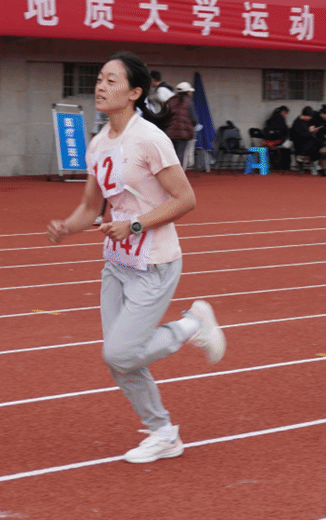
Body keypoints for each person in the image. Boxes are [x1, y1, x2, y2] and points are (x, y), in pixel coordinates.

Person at [46, 52, 225, 464]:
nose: (100, 86)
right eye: (99, 78)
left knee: (120, 353)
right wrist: (66, 227)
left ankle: (192, 325)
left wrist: (136, 224)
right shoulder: (98, 143)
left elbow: (185, 199)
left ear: (134, 92)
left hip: (155, 261)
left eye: (111, 80)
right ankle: (163, 433)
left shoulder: (149, 139)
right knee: (121, 360)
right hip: (118, 262)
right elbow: (91, 207)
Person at [163, 81, 196, 166]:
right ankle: (178, 173)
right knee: (180, 155)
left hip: (169, 133)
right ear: (187, 92)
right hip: (184, 134)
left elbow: (164, 117)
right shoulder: (189, 102)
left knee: (171, 156)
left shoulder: (170, 101)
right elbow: (194, 119)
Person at [290, 106, 321, 172]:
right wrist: (310, 131)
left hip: (306, 141)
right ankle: (311, 162)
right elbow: (300, 135)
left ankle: (309, 161)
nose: (310, 118)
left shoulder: (305, 121)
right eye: (310, 117)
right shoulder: (297, 122)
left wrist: (312, 130)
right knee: (316, 144)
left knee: (318, 142)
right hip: (300, 143)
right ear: (305, 115)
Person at [262, 106, 291, 172]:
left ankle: (274, 164)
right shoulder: (281, 119)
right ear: (283, 112)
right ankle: (285, 166)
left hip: (266, 141)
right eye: (286, 113)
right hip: (275, 141)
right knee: (288, 145)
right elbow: (285, 131)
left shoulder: (270, 119)